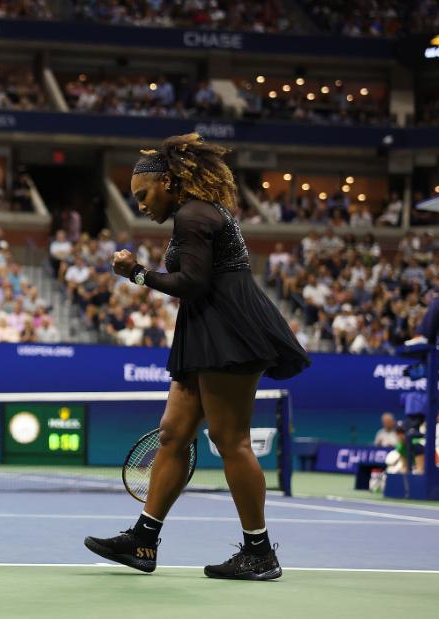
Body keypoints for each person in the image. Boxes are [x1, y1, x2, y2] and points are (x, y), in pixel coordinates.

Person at [85, 133, 310, 581]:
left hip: (229, 333)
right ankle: (144, 540)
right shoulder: (193, 214)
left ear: (168, 181)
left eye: (143, 195)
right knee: (173, 435)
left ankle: (259, 552)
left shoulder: (194, 214)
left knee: (231, 441)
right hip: (206, 330)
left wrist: (137, 273)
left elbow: (192, 283)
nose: (141, 205)